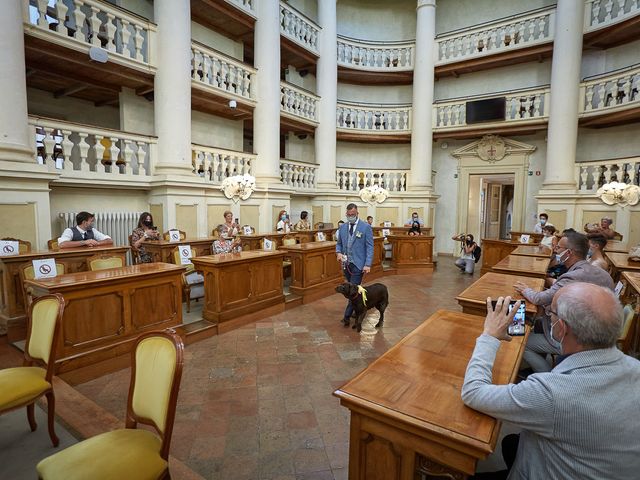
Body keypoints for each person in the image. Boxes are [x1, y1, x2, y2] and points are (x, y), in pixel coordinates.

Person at [462, 283, 640, 480]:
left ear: (561, 329)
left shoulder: (552, 392)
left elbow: (473, 392)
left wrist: (489, 335)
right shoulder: (635, 367)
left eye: (551, 313)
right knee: (512, 443)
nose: (548, 315)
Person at [514, 231, 614, 372]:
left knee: (522, 343)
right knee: (537, 322)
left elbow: (539, 298)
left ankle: (547, 377)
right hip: (601, 336)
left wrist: (525, 290)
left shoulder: (573, 276)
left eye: (559, 248)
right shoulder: (603, 274)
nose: (555, 249)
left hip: (579, 339)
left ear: (570, 252)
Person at [335, 203, 374, 326]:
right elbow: (339, 244)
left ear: (357, 213)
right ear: (346, 214)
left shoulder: (365, 227)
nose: (350, 216)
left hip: (359, 264)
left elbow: (370, 247)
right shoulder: (343, 228)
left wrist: (367, 264)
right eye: (348, 215)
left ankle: (346, 316)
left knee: (353, 290)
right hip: (346, 264)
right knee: (350, 289)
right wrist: (338, 253)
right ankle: (355, 310)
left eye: (353, 214)